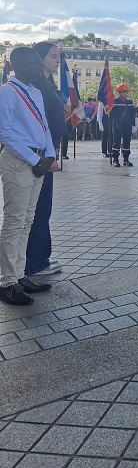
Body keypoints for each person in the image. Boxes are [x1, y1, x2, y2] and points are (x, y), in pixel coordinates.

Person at [0, 47, 59, 304]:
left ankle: (20, 275)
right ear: (17, 66)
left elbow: (44, 126)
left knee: (27, 221)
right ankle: (6, 282)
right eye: (33, 64)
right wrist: (36, 159)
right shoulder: (8, 92)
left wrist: (50, 156)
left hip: (37, 162)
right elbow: (5, 132)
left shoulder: (34, 92)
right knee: (14, 222)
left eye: (39, 63)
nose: (38, 68)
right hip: (18, 162)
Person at [25, 41, 69, 279]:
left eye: (58, 56)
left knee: (41, 208)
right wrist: (51, 155)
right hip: (42, 156)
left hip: (47, 152)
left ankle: (37, 257)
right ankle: (36, 261)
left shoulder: (46, 85)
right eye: (53, 56)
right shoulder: (37, 87)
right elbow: (43, 124)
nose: (57, 60)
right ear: (40, 59)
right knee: (40, 209)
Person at [111, 83, 136, 167]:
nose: (124, 93)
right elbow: (110, 114)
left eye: (126, 92)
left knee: (127, 142)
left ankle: (126, 159)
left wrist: (133, 125)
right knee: (116, 142)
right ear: (119, 92)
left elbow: (132, 114)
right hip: (117, 125)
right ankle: (115, 159)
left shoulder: (130, 102)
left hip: (127, 125)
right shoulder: (114, 102)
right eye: (122, 92)